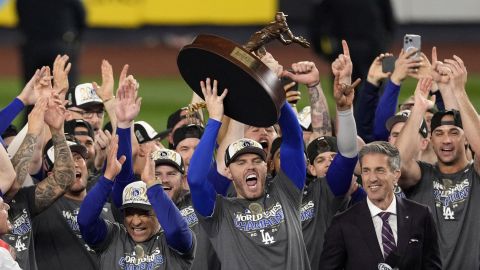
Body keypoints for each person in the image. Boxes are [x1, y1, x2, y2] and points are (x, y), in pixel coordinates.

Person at [188, 75, 309, 269]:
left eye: (256, 160)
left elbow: (294, 139)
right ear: (228, 171)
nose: (250, 166)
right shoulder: (219, 213)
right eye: (241, 162)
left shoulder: (286, 193)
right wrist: (214, 120)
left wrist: (274, 88)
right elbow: (195, 180)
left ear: (267, 165)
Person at [396, 56, 480, 269]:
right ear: (430, 140)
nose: (447, 140)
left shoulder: (475, 174)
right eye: (439, 133)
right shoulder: (422, 175)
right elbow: (397, 163)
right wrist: (418, 109)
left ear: (465, 139)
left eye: (454, 132)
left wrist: (457, 92)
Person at [77, 135, 195, 269]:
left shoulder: (174, 242)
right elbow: (85, 221)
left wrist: (152, 184)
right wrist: (107, 178)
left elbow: (175, 230)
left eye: (144, 213)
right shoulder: (112, 238)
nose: (136, 221)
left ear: (159, 213)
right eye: (130, 213)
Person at [319, 141, 441, 269]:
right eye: (366, 171)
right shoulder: (342, 224)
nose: (372, 178)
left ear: (396, 175)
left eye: (380, 170)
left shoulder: (421, 215)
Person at [1, 95, 76, 270]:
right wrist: (33, 132)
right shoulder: (10, 187)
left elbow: (64, 179)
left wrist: (57, 131)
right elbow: (13, 181)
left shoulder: (22, 201)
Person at [33, 136, 113, 270]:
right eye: (65, 160)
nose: (74, 164)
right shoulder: (40, 208)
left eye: (77, 158)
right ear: (51, 175)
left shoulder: (108, 209)